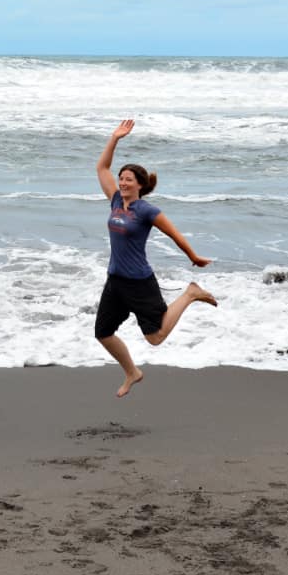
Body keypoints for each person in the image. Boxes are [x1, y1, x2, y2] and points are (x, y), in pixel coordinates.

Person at [94, 119, 217, 397]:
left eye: (128, 179)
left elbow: (175, 234)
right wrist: (114, 138)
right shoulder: (115, 201)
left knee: (155, 338)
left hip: (139, 282)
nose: (122, 181)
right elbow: (102, 168)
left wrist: (194, 256)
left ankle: (190, 294)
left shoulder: (147, 211)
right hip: (115, 281)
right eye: (121, 177)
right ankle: (132, 373)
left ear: (139, 185)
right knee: (103, 332)